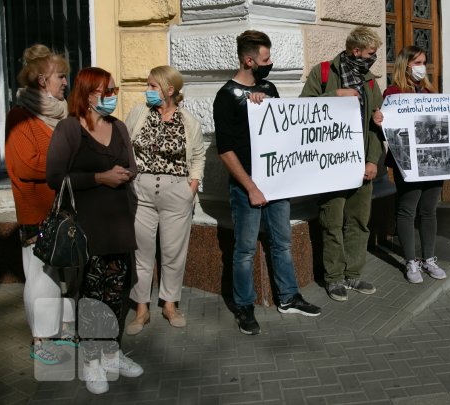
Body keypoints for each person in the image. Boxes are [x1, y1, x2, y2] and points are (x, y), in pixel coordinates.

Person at [214, 30, 321, 335]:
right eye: (265, 58)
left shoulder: (269, 88)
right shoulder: (225, 97)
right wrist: (250, 187)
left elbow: (281, 130)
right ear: (249, 60)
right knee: (245, 249)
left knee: (283, 242)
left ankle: (288, 297)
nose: (269, 63)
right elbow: (225, 151)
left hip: (277, 182)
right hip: (247, 186)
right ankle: (244, 306)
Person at [47, 67, 143, 394]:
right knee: (91, 298)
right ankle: (91, 363)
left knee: (116, 293)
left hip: (118, 225)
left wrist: (126, 174)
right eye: (109, 90)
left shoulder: (117, 127)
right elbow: (55, 177)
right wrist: (99, 178)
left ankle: (112, 354)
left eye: (115, 90)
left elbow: (131, 164)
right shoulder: (69, 129)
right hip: (86, 229)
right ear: (90, 95)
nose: (114, 96)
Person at [299, 26, 384, 301]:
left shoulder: (370, 82)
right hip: (331, 165)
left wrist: (373, 160)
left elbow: (375, 127)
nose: (373, 58)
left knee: (358, 221)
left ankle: (354, 275)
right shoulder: (323, 73)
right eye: (371, 53)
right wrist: (334, 96)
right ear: (355, 51)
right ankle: (334, 277)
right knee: (332, 221)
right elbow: (303, 110)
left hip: (362, 165)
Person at [4, 44, 75, 365]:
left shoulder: (59, 113)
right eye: (60, 76)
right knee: (40, 275)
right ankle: (40, 338)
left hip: (63, 208)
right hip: (36, 212)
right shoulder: (20, 116)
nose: (65, 82)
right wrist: (67, 159)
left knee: (62, 270)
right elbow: (25, 165)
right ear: (41, 79)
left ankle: (60, 328)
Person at [124, 66, 206, 335]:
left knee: (173, 252)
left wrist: (191, 187)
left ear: (169, 90)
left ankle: (170, 305)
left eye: (152, 86)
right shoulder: (139, 114)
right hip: (142, 193)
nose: (147, 91)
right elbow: (124, 146)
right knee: (141, 253)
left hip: (176, 194)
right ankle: (141, 310)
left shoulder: (188, 121)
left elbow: (197, 157)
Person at [381, 46, 447, 284]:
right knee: (408, 209)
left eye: (424, 62)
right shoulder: (393, 93)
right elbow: (387, 127)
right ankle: (410, 261)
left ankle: (429, 259)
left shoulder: (430, 91)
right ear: (405, 65)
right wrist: (379, 120)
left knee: (429, 209)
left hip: (433, 160)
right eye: (417, 62)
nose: (422, 67)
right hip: (407, 161)